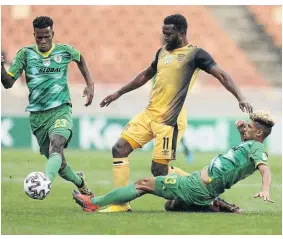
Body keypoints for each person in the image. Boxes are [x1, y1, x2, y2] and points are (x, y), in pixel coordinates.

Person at [99, 14, 253, 212]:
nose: (165, 38)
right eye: (163, 33)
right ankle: (120, 203)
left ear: (181, 33)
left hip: (169, 120)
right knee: (119, 148)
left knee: (158, 171)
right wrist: (119, 92)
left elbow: (222, 74)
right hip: (149, 114)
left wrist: (240, 97)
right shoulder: (162, 52)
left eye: (169, 34)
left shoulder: (196, 54)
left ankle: (205, 191)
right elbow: (145, 75)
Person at [72, 110, 275, 213]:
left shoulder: (257, 149)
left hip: (196, 186)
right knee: (171, 206)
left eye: (249, 127)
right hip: (202, 188)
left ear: (258, 132)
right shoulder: (251, 146)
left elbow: (264, 170)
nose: (245, 128)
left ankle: (93, 203)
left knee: (143, 184)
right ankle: (213, 205)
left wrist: (265, 189)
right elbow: (240, 159)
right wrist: (243, 133)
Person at [1, 16, 94, 197]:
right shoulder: (25, 54)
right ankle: (81, 182)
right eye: (39, 37)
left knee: (57, 145)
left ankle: (44, 183)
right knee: (61, 164)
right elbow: (8, 83)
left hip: (61, 109)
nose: (43, 41)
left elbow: (80, 58)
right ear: (34, 35)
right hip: (38, 117)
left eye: (47, 36)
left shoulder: (64, 51)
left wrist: (90, 85)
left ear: (53, 34)